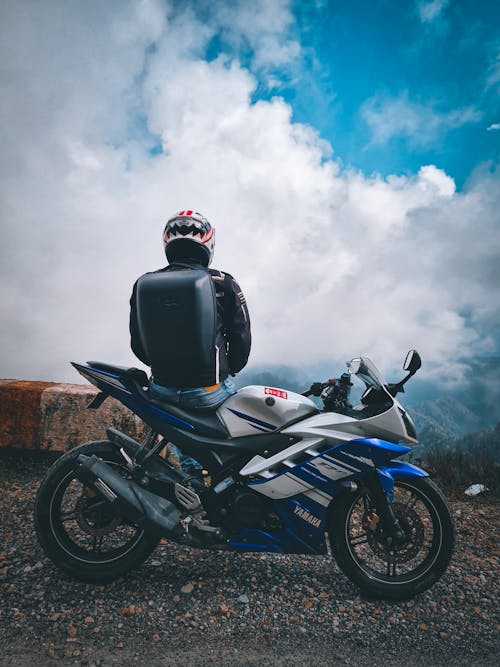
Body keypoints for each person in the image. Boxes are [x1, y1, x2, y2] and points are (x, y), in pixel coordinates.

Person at [129, 209, 251, 411]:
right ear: (208, 242)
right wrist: (228, 369)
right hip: (210, 390)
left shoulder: (144, 283)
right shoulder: (223, 282)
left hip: (161, 387)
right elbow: (241, 338)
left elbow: (138, 342)